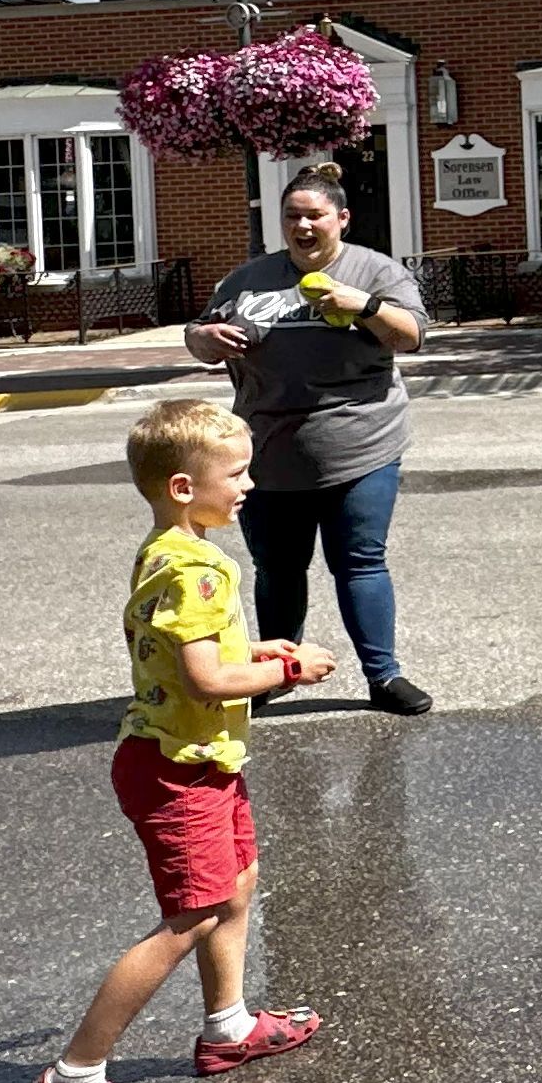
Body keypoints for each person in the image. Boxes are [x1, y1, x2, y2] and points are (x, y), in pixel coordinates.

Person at [27, 398, 332, 1083]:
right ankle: (74, 1076)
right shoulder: (194, 567)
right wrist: (286, 668)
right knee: (190, 915)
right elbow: (204, 680)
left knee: (236, 884)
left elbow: (196, 653)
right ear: (183, 487)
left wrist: (253, 645)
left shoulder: (168, 549)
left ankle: (229, 1028)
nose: (251, 484)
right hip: (177, 768)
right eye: (237, 473)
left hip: (200, 759)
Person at [188, 161, 435, 715]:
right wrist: (206, 336)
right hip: (268, 450)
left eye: (314, 216)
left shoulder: (374, 271)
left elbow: (415, 335)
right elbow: (198, 339)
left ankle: (383, 677)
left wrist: (363, 306)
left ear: (341, 219)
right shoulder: (248, 279)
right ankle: (274, 677)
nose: (303, 225)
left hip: (360, 445)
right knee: (278, 568)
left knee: (360, 562)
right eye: (292, 216)